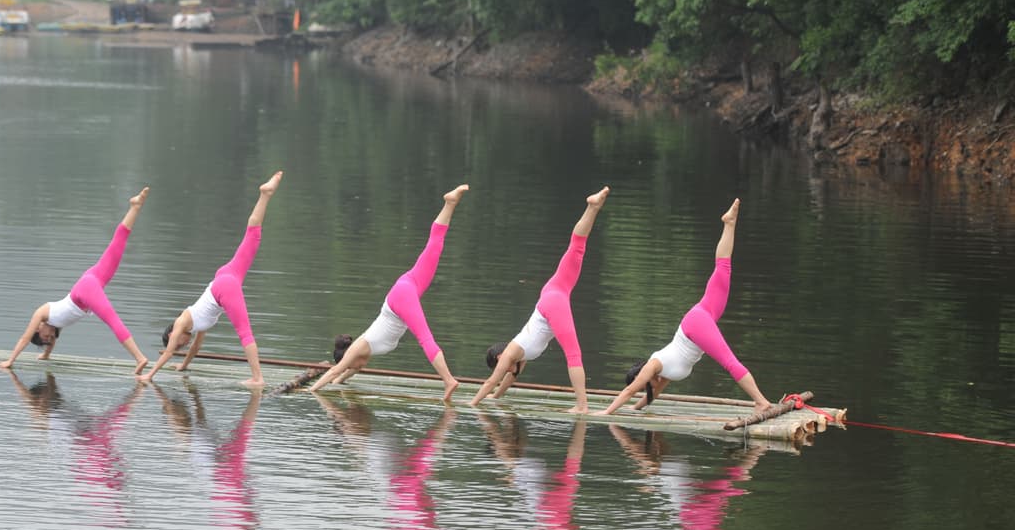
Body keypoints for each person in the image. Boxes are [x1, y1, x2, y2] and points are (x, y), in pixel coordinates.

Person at [592, 198, 774, 415]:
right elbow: (649, 398)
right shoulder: (662, 376)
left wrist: (606, 413)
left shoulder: (654, 365)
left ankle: (761, 402)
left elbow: (630, 390)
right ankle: (730, 223)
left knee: (729, 362)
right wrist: (633, 409)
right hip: (703, 316)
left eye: (644, 385)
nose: (645, 389)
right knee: (723, 269)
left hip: (695, 325)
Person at [310, 185, 469, 402]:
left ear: (349, 358)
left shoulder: (359, 348)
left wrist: (311, 391)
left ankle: (449, 380)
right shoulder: (362, 357)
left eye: (351, 365)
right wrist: (338, 383)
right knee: (434, 247)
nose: (356, 369)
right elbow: (341, 376)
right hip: (408, 286)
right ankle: (450, 203)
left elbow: (335, 372)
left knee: (425, 338)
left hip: (401, 298)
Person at [469, 187, 610, 412]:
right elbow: (503, 384)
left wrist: (471, 404)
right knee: (577, 248)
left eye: (501, 366)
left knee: (574, 354)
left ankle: (582, 406)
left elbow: (491, 381)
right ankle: (593, 207)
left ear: (498, 356)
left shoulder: (510, 354)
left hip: (552, 303)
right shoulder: (520, 357)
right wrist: (494, 398)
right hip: (555, 292)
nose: (505, 370)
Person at [140, 171, 282, 387]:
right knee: (252, 236)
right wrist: (184, 366)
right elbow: (196, 348)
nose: (182, 347)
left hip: (224, 287)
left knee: (245, 332)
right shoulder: (196, 324)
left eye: (178, 345)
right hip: (226, 276)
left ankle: (257, 378)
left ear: (172, 335)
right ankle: (265, 194)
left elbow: (168, 353)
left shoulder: (182, 322)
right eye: (181, 349)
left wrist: (149, 376)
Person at [0, 188, 151, 373]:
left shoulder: (42, 313)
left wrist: (10, 361)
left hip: (84, 290)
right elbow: (51, 341)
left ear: (38, 329)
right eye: (48, 341)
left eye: (44, 338)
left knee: (112, 320)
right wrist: (46, 355)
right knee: (117, 245)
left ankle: (140, 358)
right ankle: (135, 206)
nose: (48, 339)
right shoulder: (54, 325)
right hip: (91, 280)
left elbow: (24, 338)